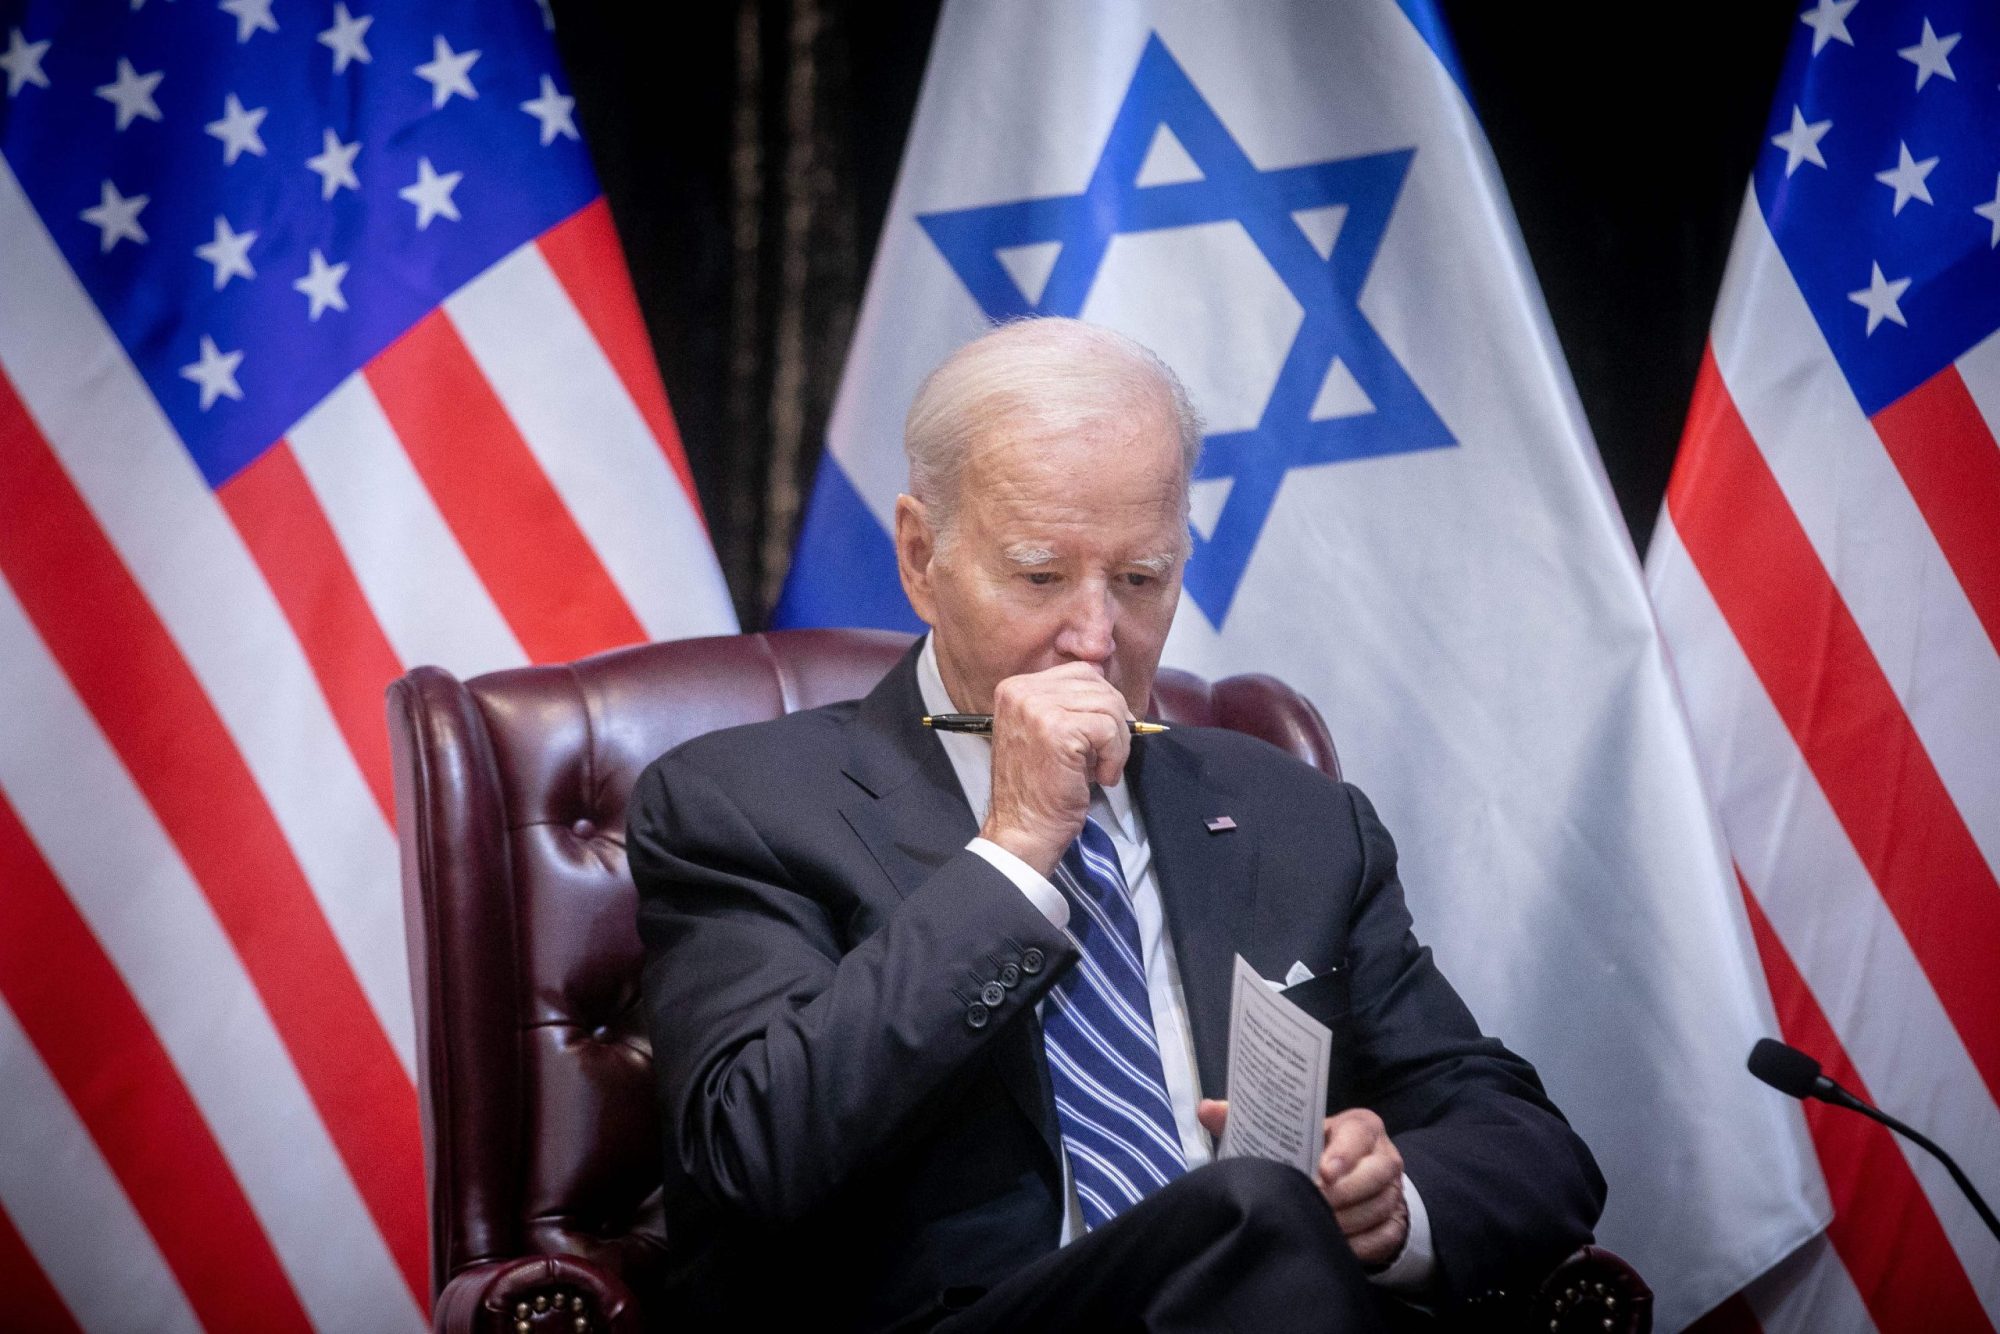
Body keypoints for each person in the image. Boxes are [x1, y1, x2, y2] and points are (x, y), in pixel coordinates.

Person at [627, 318, 1604, 1332]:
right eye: (1041, 575)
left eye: (1139, 579)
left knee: (1258, 1222)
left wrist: (1390, 1206)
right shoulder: (742, 803)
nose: (1094, 637)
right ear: (921, 557)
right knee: (1249, 1210)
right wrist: (1010, 856)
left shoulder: (1291, 813)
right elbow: (752, 1154)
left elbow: (1525, 1143)